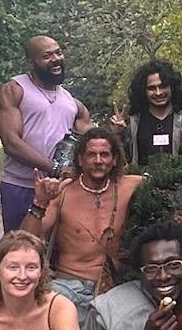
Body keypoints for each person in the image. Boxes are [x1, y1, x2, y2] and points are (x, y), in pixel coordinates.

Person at [19, 127, 143, 319]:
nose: (98, 161)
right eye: (91, 155)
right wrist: (39, 203)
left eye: (105, 155)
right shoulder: (63, 193)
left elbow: (172, 177)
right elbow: (24, 243)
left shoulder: (130, 185)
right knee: (59, 327)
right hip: (69, 284)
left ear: (115, 159)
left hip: (116, 286)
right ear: (79, 159)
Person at [0, 36, 92, 231]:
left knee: (58, 252)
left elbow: (91, 141)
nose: (56, 59)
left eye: (58, 53)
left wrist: (115, 131)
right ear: (31, 62)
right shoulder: (14, 89)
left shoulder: (71, 101)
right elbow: (11, 142)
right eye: (47, 56)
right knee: (19, 249)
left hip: (59, 189)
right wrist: (55, 168)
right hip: (21, 187)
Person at [113, 59, 182, 166]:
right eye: (152, 88)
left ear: (172, 87)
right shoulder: (131, 124)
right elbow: (119, 163)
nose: (158, 92)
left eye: (163, 86)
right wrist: (117, 134)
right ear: (143, 91)